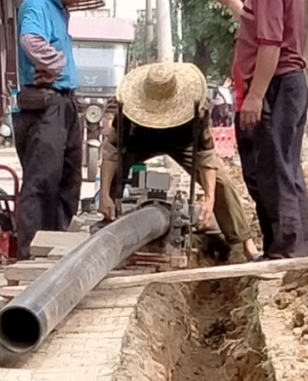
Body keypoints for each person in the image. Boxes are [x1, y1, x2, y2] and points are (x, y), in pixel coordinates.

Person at [99, 62, 258, 262]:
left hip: (184, 140)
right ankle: (109, 225)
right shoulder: (127, 108)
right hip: (140, 139)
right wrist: (104, 195)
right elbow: (112, 151)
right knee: (115, 172)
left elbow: (206, 155)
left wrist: (209, 198)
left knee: (222, 182)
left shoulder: (198, 107)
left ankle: (243, 243)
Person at [230, 0, 308, 260]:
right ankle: (295, 248)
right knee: (286, 168)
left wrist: (255, 95)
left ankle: (285, 250)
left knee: (275, 170)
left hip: (277, 84)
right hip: (287, 83)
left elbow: (269, 44)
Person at [14, 0, 102, 260]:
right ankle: (31, 252)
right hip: (44, 105)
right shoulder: (37, 4)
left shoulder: (60, 11)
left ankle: (56, 243)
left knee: (68, 178)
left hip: (63, 102)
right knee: (42, 181)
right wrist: (55, 64)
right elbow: (31, 40)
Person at [210, 0, 274, 257]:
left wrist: (235, 3)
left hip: (257, 103)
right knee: (254, 177)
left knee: (269, 176)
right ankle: (268, 246)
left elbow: (267, 40)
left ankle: (278, 248)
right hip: (243, 103)